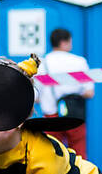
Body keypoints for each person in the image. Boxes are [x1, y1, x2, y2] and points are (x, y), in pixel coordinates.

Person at [36, 28, 93, 157]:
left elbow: (36, 97)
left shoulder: (42, 64)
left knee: (52, 156)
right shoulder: (79, 62)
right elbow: (89, 92)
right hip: (74, 115)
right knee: (79, 157)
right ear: (64, 42)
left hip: (51, 117)